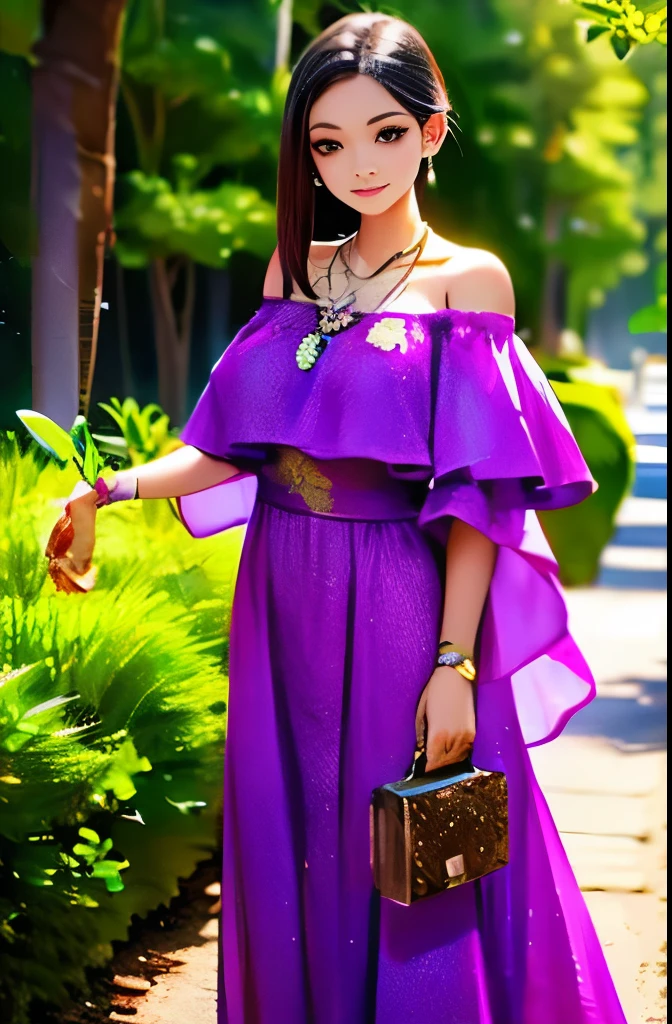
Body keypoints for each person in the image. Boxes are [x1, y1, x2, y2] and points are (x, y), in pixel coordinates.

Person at [63, 13, 628, 1024]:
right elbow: (234, 444)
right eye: (327, 142)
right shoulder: (297, 272)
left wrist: (453, 669)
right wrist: (104, 491)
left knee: (411, 855)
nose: (357, 163)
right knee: (297, 847)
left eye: (385, 134)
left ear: (433, 131)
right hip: (280, 600)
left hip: (400, 605)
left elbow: (476, 501)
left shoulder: (469, 282)